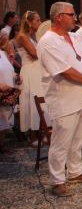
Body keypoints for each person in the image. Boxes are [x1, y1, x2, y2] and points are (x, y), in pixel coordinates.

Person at [37, 2, 82, 197]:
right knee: (61, 140)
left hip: (80, 95)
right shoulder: (48, 41)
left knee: (77, 137)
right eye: (71, 14)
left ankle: (75, 171)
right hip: (63, 97)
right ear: (58, 17)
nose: (75, 18)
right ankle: (57, 180)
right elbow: (64, 70)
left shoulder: (73, 37)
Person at [16, 11, 47, 146]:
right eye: (37, 20)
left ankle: (42, 131)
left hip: (37, 71)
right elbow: (34, 54)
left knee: (41, 100)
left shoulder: (35, 36)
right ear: (29, 22)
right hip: (29, 71)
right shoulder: (22, 36)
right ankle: (32, 136)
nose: (40, 23)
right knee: (31, 101)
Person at [0, 32, 17, 153]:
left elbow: (9, 70)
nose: (7, 42)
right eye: (3, 39)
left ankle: (1, 145)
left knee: (4, 120)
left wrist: (16, 76)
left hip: (7, 91)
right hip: (1, 89)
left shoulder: (3, 54)